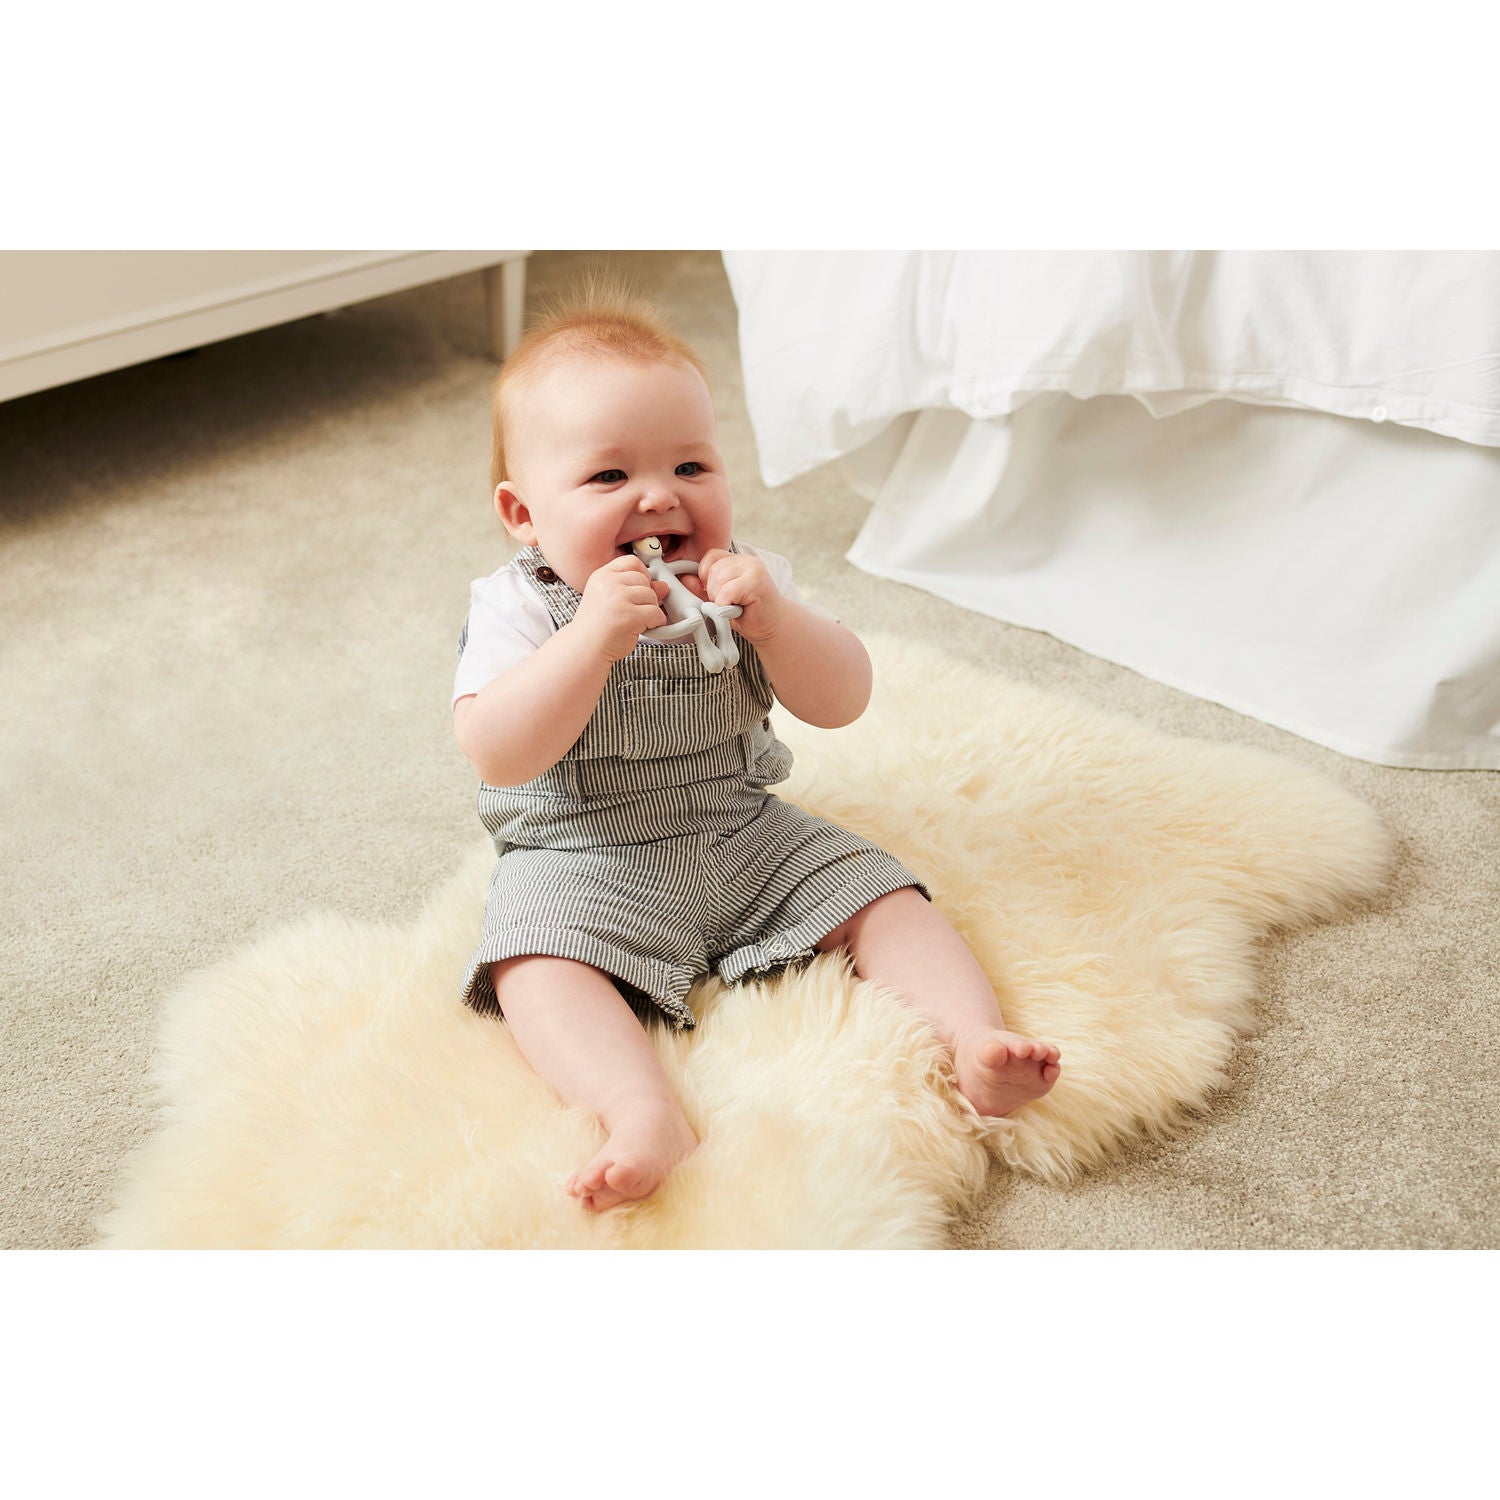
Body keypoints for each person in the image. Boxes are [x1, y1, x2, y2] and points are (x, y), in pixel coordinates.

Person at [452, 279, 1060, 1212]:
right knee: (530, 964)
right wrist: (588, 644)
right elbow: (497, 751)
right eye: (609, 477)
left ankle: (974, 1041)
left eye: (691, 466)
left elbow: (842, 700)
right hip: (582, 855)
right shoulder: (519, 606)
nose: (660, 495)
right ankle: (639, 1110)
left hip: (742, 830)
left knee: (883, 894)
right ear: (524, 513)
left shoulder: (746, 581)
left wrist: (779, 623)